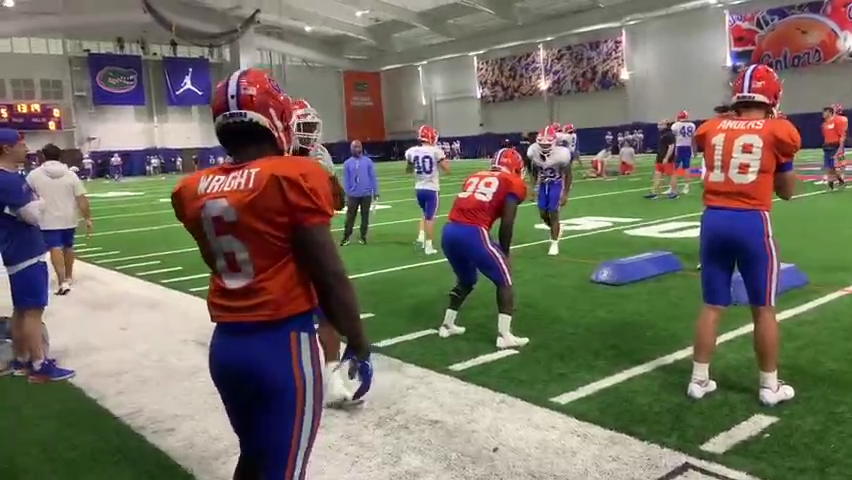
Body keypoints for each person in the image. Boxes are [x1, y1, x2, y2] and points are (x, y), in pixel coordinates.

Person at [170, 68, 372, 479]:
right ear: (275, 118)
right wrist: (359, 342)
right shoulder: (293, 176)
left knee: (256, 458)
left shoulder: (192, 189)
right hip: (281, 348)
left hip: (226, 347)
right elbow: (329, 276)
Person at [688, 63, 798, 406]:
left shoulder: (713, 127)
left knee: (712, 305)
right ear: (772, 95)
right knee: (763, 308)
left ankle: (698, 380)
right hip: (751, 221)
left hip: (713, 219)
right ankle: (769, 386)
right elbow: (787, 192)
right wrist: (782, 165)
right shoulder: (776, 130)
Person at [291, 97, 354, 408]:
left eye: (311, 126)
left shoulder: (321, 155)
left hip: (315, 243)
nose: (309, 133)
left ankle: (333, 380)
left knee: (327, 311)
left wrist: (329, 181)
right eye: (302, 126)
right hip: (284, 250)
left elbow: (338, 201)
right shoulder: (273, 158)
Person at [0, 129, 75, 382]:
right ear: (6, 149)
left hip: (15, 248)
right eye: (20, 144)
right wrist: (41, 204)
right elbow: (32, 214)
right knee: (33, 310)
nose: (25, 148)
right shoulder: (7, 179)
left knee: (22, 309)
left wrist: (37, 203)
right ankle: (39, 363)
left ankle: (21, 359)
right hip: (24, 249)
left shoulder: (10, 177)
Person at [437, 147, 529, 349]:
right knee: (505, 278)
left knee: (467, 280)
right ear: (514, 167)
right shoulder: (513, 183)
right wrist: (505, 251)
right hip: (473, 233)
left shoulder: (475, 176)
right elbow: (507, 222)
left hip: (449, 231)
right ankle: (504, 335)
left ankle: (447, 324)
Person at [25, 144, 92, 295]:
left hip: (46, 217)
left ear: (43, 155)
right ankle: (68, 276)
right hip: (69, 217)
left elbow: (25, 195)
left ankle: (62, 281)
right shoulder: (70, 175)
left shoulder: (34, 175)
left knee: (54, 247)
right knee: (68, 246)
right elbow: (81, 198)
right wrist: (87, 218)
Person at [527, 124, 572, 256]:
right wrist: (533, 188)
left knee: (553, 212)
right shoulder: (533, 151)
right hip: (542, 185)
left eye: (547, 144)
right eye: (542, 144)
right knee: (542, 214)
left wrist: (565, 194)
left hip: (555, 184)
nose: (544, 147)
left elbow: (568, 175)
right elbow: (534, 171)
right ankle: (556, 228)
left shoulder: (562, 154)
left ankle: (554, 242)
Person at [405, 125, 450, 255]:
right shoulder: (436, 151)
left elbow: (408, 170)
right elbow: (447, 169)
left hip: (418, 188)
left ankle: (421, 235)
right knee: (430, 217)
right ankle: (429, 246)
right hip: (431, 188)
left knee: (424, 213)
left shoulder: (412, 151)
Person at [341, 140, 378, 245]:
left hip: (366, 194)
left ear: (361, 148)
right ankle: (346, 237)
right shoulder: (347, 163)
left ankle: (363, 236)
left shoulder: (368, 162)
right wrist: (347, 194)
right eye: (354, 147)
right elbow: (346, 180)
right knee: (350, 217)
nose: (356, 149)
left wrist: (376, 192)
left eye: (358, 147)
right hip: (353, 195)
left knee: (365, 216)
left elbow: (372, 177)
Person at [645, 120, 675, 199]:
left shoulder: (669, 134)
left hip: (667, 160)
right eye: (658, 125)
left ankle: (674, 192)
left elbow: (671, 147)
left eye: (661, 125)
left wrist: (666, 158)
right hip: (660, 158)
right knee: (657, 176)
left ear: (665, 125)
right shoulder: (662, 134)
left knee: (671, 176)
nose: (658, 126)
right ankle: (653, 192)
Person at [669, 110, 696, 195]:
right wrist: (694, 150)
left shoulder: (675, 125)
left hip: (678, 147)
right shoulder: (692, 125)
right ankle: (686, 186)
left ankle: (672, 187)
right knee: (686, 167)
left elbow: (673, 135)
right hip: (687, 146)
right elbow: (693, 138)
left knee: (674, 168)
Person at [821, 105, 846, 190]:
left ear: (830, 113)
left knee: (834, 166)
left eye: (825, 112)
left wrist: (841, 147)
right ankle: (831, 182)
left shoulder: (837, 121)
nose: (823, 114)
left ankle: (838, 179)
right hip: (827, 146)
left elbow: (842, 134)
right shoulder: (824, 124)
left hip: (835, 146)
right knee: (827, 166)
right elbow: (825, 136)